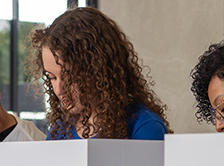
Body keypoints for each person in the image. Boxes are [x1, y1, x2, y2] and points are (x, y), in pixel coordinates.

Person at [27, 7, 171, 140]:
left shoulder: (144, 126)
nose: (59, 90)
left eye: (69, 78)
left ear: (97, 70)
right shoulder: (59, 131)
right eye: (52, 77)